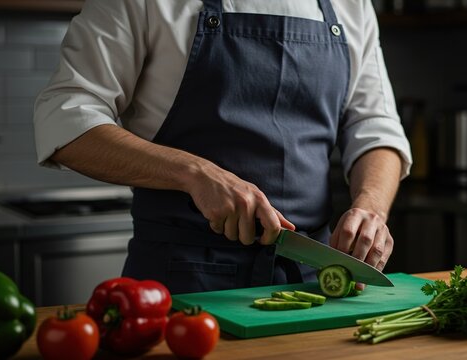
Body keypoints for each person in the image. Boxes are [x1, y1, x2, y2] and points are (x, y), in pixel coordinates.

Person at [33, 0, 412, 295]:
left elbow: (374, 126)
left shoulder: (351, 6)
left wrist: (371, 208)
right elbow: (66, 118)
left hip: (315, 281)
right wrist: (195, 173)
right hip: (181, 281)